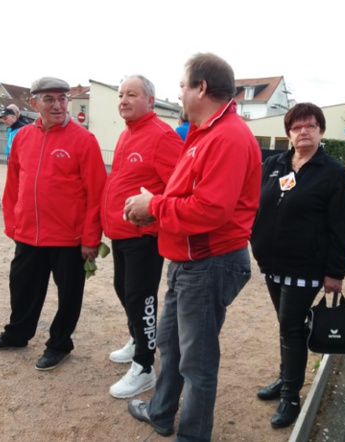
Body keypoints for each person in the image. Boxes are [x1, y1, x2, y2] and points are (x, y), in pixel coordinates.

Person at [124, 53, 262, 441]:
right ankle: (161, 412)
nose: (179, 93)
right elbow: (190, 197)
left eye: (183, 85)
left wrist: (153, 205)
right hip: (191, 259)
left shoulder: (227, 136)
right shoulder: (206, 133)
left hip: (209, 261)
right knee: (171, 344)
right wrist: (156, 209)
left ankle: (192, 435)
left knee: (197, 362)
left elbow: (211, 210)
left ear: (201, 87)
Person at [0, 77, 107, 371]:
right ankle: (17, 334)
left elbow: (97, 193)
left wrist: (90, 237)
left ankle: (60, 344)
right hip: (29, 234)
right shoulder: (23, 137)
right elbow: (14, 187)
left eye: (62, 98)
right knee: (22, 286)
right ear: (34, 103)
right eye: (49, 99)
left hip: (68, 237)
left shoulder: (84, 140)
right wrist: (13, 224)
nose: (58, 105)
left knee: (69, 294)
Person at [250, 102, 345, 429]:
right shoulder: (275, 163)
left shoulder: (332, 172)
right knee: (286, 326)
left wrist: (335, 272)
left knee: (291, 328)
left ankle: (291, 395)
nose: (303, 131)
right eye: (296, 127)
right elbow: (258, 205)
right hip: (272, 263)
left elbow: (341, 226)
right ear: (289, 134)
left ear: (321, 131)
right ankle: (286, 379)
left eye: (310, 126)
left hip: (305, 267)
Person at [102, 75, 183, 399]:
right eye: (121, 94)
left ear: (150, 101)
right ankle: (138, 338)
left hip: (144, 236)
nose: (123, 100)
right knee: (123, 290)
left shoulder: (162, 136)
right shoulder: (127, 134)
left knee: (141, 298)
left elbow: (178, 187)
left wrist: (154, 212)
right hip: (121, 233)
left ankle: (144, 366)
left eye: (131, 94)